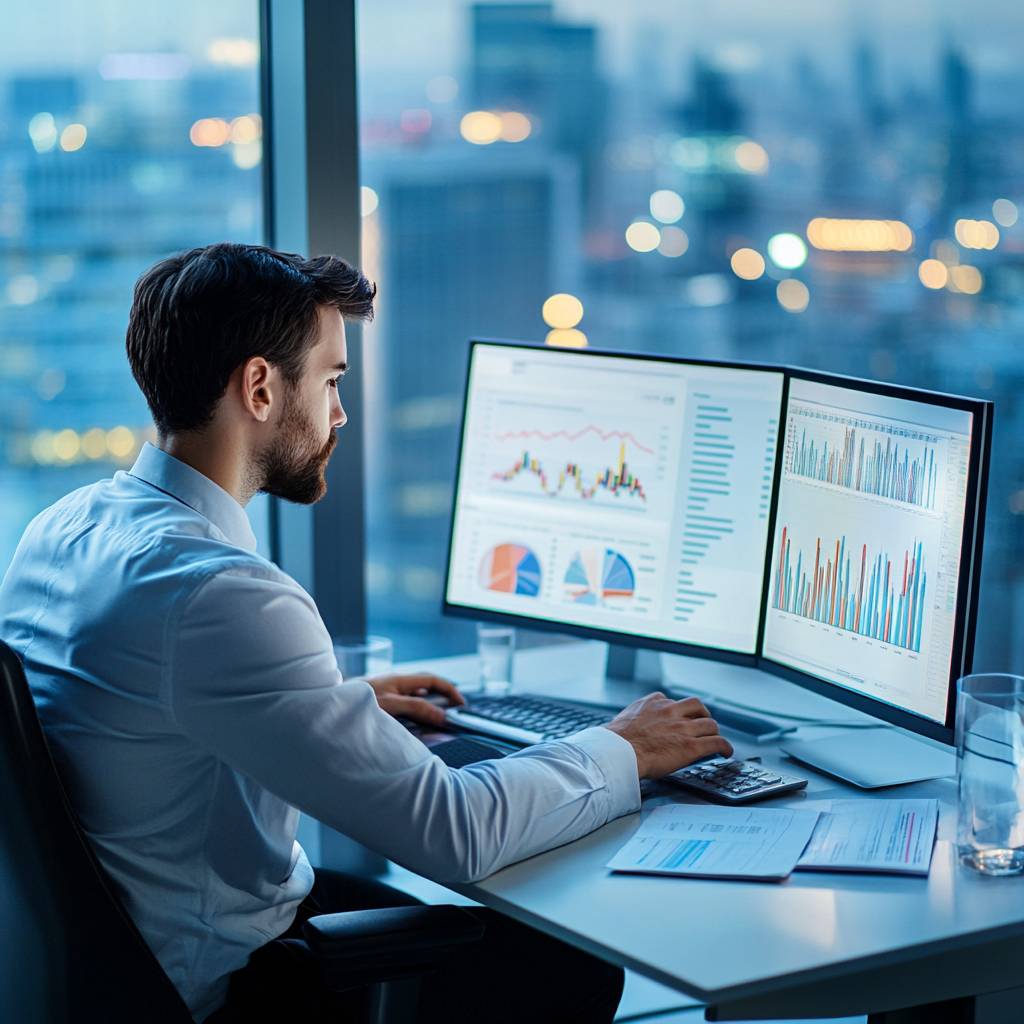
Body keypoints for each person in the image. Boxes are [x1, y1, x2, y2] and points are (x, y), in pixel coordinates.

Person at [0, 243, 732, 1022]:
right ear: (259, 387)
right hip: (224, 984)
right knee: (573, 962)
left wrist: (327, 701)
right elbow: (456, 832)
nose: (340, 412)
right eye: (331, 381)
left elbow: (152, 707)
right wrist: (626, 746)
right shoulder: (224, 596)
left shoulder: (65, 528)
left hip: (106, 965)